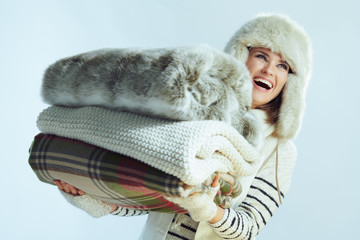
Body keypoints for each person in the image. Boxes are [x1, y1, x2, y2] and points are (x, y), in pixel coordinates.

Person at [54, 13, 312, 239]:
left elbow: (248, 229)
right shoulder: (199, 117)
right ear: (241, 58)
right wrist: (90, 197)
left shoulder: (281, 151)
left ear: (289, 82)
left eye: (282, 65)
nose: (269, 70)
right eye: (261, 56)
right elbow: (149, 195)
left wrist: (206, 208)